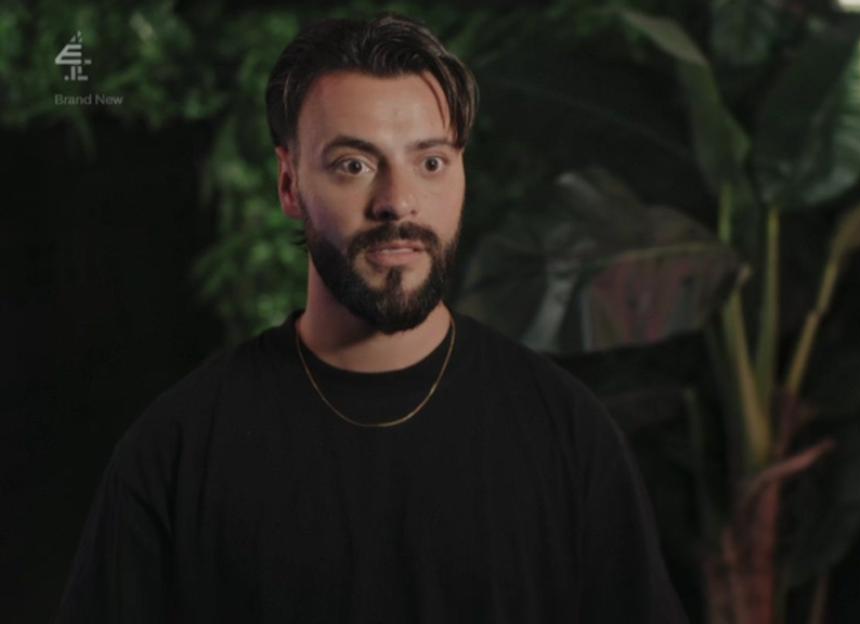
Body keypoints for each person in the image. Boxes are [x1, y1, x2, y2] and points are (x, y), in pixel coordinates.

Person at [56, 13, 689, 624]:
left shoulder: (566, 434)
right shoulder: (178, 450)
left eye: (431, 162)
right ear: (288, 185)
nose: (398, 202)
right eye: (353, 165)